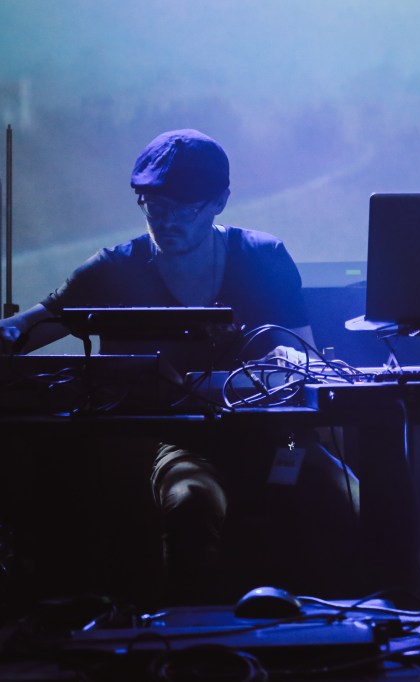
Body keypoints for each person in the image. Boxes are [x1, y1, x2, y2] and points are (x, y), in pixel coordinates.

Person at [0, 129, 358, 605]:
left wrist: (288, 367)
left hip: (277, 436)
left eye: (185, 209)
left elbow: (304, 361)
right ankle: (190, 635)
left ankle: (341, 627)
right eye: (153, 206)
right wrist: (9, 334)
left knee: (336, 488)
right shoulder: (115, 269)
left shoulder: (262, 258)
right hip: (172, 443)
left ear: (220, 202)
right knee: (191, 500)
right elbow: (29, 327)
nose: (166, 221)